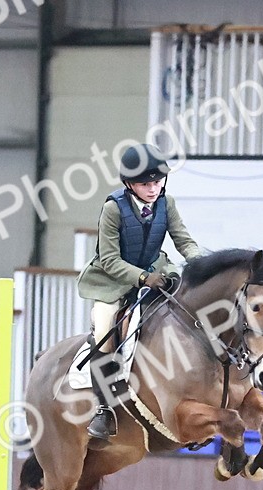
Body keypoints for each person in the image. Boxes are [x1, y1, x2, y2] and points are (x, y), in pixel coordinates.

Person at [76, 143, 201, 445]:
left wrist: (202, 265)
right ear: (130, 184)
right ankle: (103, 409)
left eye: (158, 182)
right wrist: (143, 278)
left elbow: (184, 240)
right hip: (114, 280)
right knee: (105, 329)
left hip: (158, 272)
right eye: (147, 183)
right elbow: (109, 259)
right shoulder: (113, 208)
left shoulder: (166, 203)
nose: (153, 188)